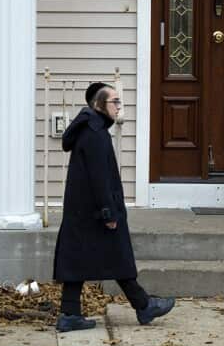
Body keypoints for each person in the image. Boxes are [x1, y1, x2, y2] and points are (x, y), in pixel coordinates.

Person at [53, 83, 174, 332]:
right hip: (95, 212)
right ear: (99, 105)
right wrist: (108, 212)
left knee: (81, 259)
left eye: (119, 101)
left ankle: (71, 313)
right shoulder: (95, 134)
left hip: (84, 212)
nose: (119, 107)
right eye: (114, 102)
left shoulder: (91, 129)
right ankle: (143, 306)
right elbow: (100, 178)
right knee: (116, 255)